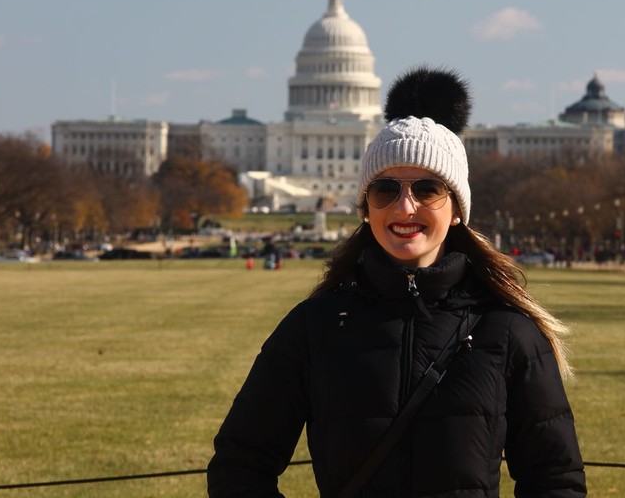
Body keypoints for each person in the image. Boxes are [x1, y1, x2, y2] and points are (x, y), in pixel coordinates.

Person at [208, 67, 586, 497]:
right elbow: (239, 466)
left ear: (458, 207)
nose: (405, 207)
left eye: (427, 189)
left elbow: (554, 480)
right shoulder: (315, 327)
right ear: (366, 206)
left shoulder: (507, 331)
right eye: (385, 189)